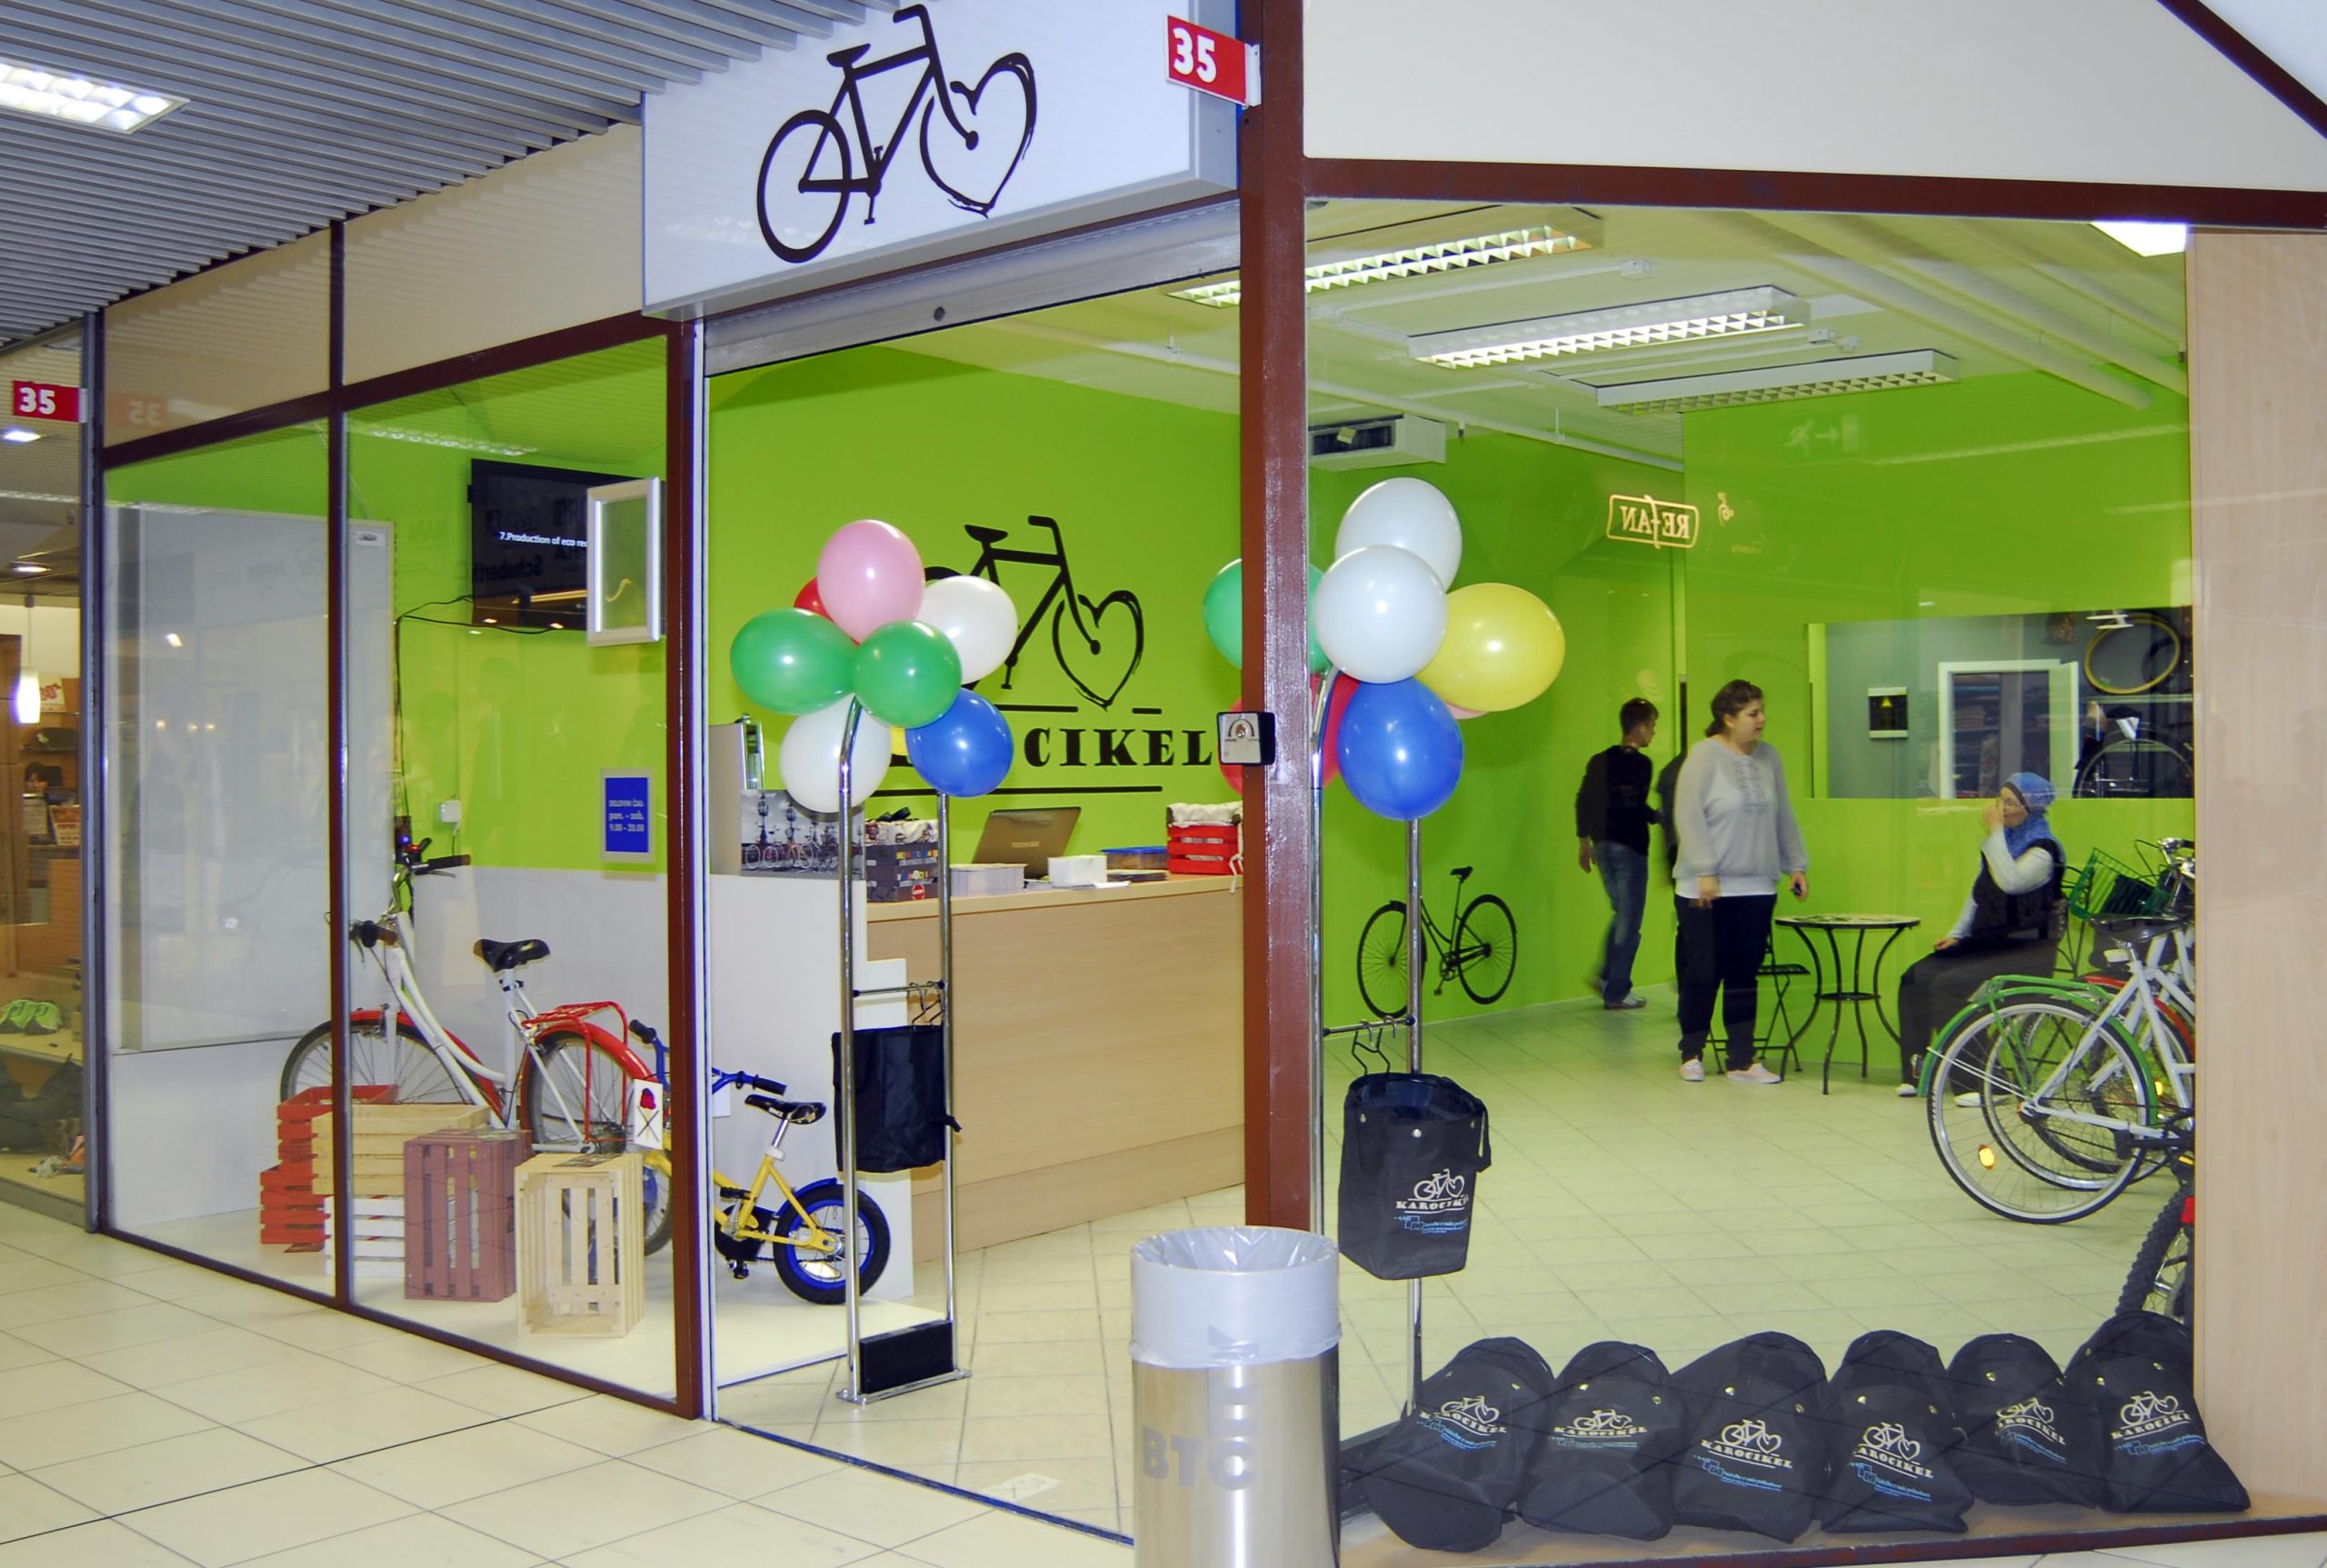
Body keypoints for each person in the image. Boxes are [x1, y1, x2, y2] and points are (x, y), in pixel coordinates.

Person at [1893, 772, 2067, 1095]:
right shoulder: (1996, 844)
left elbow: (2010, 881)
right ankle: (1918, 1072)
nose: (2002, 808)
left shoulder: (2044, 850)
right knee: (1915, 977)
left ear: (2031, 808)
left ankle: (1979, 1080)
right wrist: (1957, 934)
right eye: (2001, 799)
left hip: (2025, 952)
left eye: (2011, 802)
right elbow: (1977, 895)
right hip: (1986, 944)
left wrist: (1995, 833)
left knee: (1949, 986)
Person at [1671, 680, 1809, 1084]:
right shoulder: (1703, 756)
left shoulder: (1770, 758)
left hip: (1756, 885)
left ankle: (1742, 1059)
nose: (1762, 719)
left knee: (1744, 973)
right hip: (1705, 887)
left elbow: (1783, 814)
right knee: (1702, 971)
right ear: (1728, 719)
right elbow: (1688, 815)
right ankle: (1691, 1051)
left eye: (1762, 710)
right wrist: (1705, 869)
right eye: (1753, 713)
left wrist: (1795, 864)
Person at [1575, 698, 1659, 1009]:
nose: (1653, 733)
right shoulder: (1642, 765)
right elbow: (1635, 806)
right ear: (1638, 728)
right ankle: (1617, 990)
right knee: (1630, 922)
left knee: (1621, 915)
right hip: (1631, 848)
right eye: (1651, 726)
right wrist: (1659, 817)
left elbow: (1584, 798)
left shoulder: (1600, 760)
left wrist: (1584, 841)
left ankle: (1606, 976)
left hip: (1604, 847)